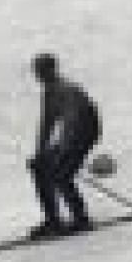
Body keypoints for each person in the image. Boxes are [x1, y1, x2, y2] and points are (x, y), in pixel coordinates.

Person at [28, 54, 101, 237]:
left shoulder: (66, 90)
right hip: (71, 135)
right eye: (37, 71)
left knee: (61, 174)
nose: (39, 75)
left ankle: (81, 219)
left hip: (85, 133)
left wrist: (63, 149)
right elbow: (47, 124)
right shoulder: (48, 93)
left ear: (52, 69)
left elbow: (73, 120)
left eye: (42, 70)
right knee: (39, 166)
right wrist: (40, 152)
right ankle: (53, 220)